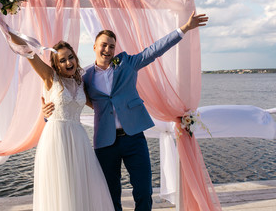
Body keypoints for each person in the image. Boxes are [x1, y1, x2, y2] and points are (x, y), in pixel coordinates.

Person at [42, 11, 208, 211]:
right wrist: (47, 113)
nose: (108, 49)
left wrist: (184, 29)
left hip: (134, 138)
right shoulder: (84, 77)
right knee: (110, 196)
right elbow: (65, 100)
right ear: (94, 47)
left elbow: (154, 50)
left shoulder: (128, 64)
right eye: (104, 44)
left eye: (112, 46)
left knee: (144, 193)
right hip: (105, 143)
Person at [10, 32, 114, 210]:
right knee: (62, 185)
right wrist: (3, 25)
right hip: (57, 139)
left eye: (71, 57)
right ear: (56, 65)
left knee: (80, 185)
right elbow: (27, 51)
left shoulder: (81, 83)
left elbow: (100, 104)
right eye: (63, 60)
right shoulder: (51, 78)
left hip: (79, 140)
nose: (69, 63)